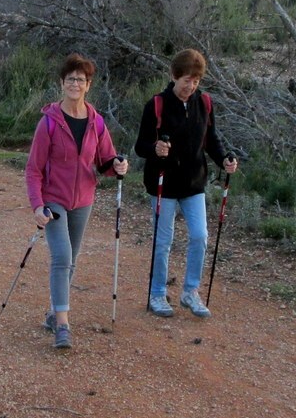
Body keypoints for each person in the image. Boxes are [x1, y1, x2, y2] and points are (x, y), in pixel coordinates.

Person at [25, 53, 129, 349]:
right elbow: (33, 169)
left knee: (72, 261)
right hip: (54, 200)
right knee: (62, 258)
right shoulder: (48, 123)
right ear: (62, 83)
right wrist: (37, 205)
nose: (75, 84)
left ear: (88, 85)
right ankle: (62, 325)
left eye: (80, 80)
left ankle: (52, 312)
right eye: (70, 79)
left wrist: (118, 165)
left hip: (83, 200)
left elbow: (106, 160)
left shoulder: (96, 123)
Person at [133, 48, 237, 318]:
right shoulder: (156, 104)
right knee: (163, 241)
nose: (190, 86)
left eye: (196, 81)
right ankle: (157, 293)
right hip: (162, 184)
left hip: (194, 183)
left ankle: (190, 292)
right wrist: (155, 148)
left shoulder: (204, 103)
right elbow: (140, 146)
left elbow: (211, 139)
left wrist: (224, 159)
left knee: (200, 236)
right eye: (186, 80)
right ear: (173, 76)